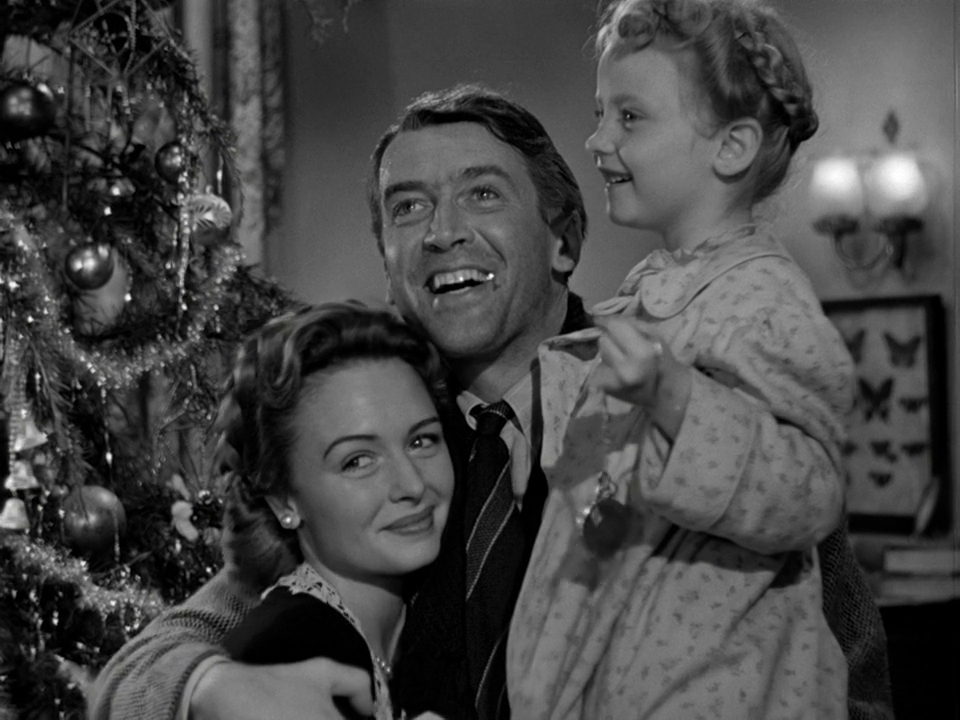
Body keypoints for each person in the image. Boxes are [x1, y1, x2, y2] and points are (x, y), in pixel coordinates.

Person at [90, 84, 891, 720]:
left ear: (563, 241)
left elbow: (849, 676)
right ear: (390, 263)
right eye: (408, 207)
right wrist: (212, 687)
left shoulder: (694, 402)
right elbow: (138, 674)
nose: (442, 232)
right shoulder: (383, 461)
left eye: (481, 194)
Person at [505, 1, 869, 717]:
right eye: (601, 113)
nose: (598, 138)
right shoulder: (654, 290)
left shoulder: (763, 299)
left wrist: (676, 398)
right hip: (621, 669)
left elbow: (808, 489)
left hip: (716, 685)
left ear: (731, 148)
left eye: (629, 117)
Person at [209, 302, 455, 720]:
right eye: (358, 461)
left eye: (421, 441)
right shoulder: (278, 662)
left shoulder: (441, 613)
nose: (413, 485)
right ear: (283, 500)